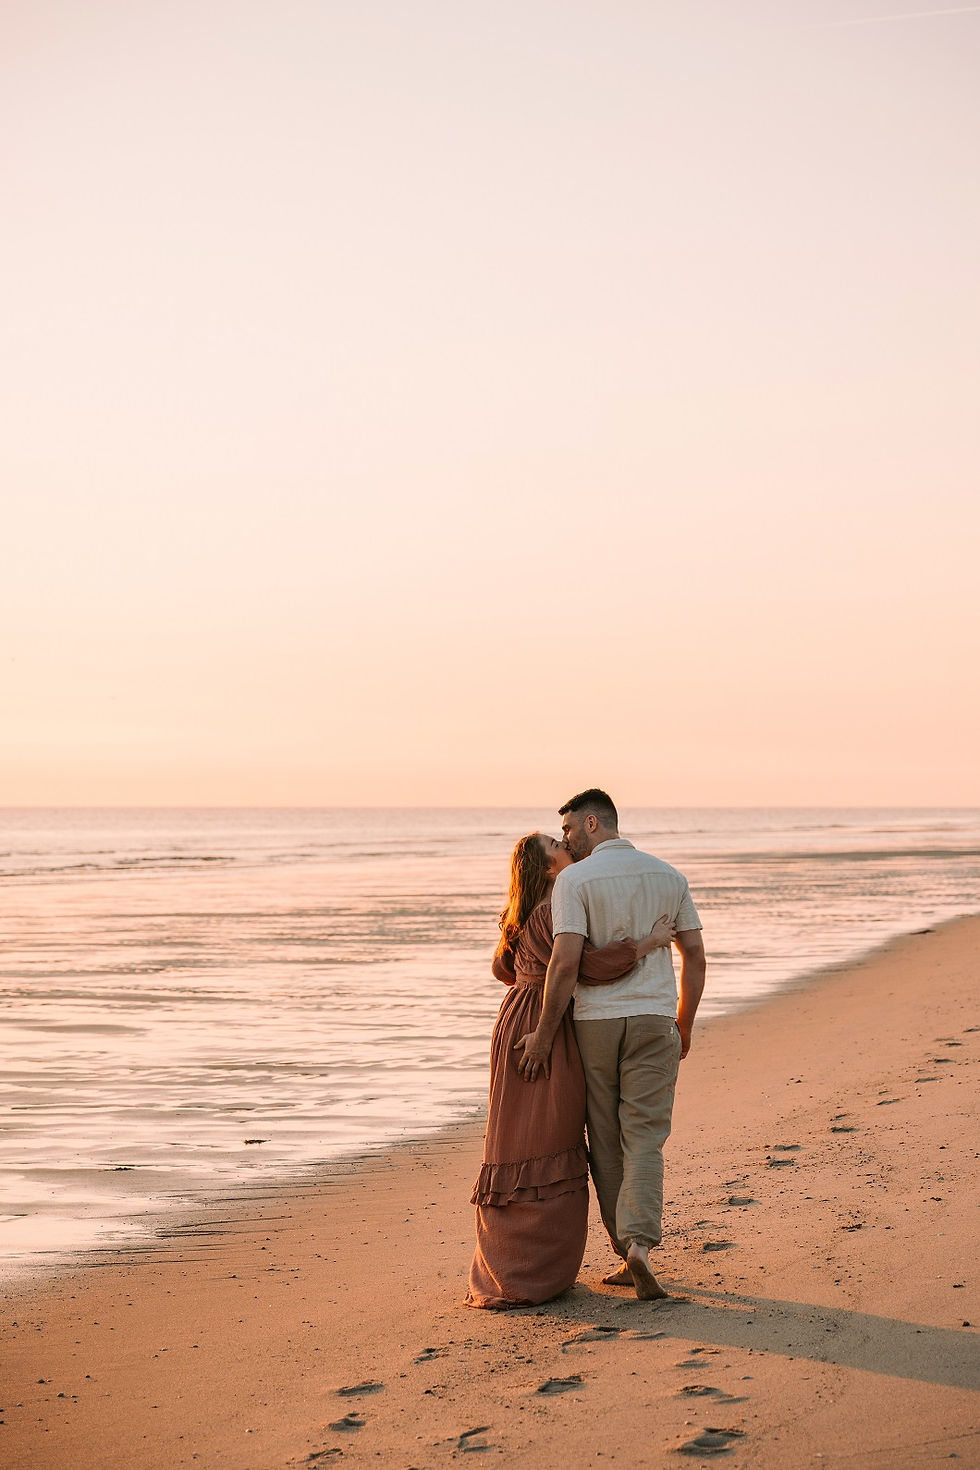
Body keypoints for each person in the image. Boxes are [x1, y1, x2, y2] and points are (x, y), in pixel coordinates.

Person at [465, 831, 674, 1310]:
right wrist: (647, 943)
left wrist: (529, 982)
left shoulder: (519, 914)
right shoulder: (550, 911)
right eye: (555, 846)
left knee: (517, 1136)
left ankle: (513, 1261)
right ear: (546, 867)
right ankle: (535, 1271)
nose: (566, 846)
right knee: (550, 1137)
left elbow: (501, 969)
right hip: (545, 1025)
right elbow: (586, 966)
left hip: (511, 1020)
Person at [516, 789, 706, 1301]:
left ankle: (625, 1250)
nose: (569, 839)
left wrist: (546, 1032)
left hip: (596, 1024)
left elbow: (565, 963)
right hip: (654, 1017)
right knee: (644, 1136)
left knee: (604, 1139)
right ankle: (641, 1245)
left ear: (594, 823)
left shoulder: (574, 880)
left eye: (572, 830)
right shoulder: (669, 875)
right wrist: (684, 1022)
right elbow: (695, 956)